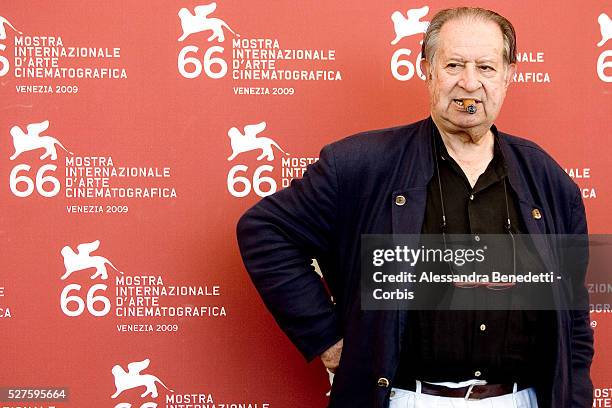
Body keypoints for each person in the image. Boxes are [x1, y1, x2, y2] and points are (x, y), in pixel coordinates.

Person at [237, 7, 593, 408]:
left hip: (520, 399)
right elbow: (265, 231)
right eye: (454, 64)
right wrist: (328, 339)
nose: (469, 83)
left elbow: (573, 316)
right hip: (405, 398)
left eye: (487, 67)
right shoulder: (360, 165)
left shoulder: (548, 180)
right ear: (427, 69)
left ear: (508, 74)